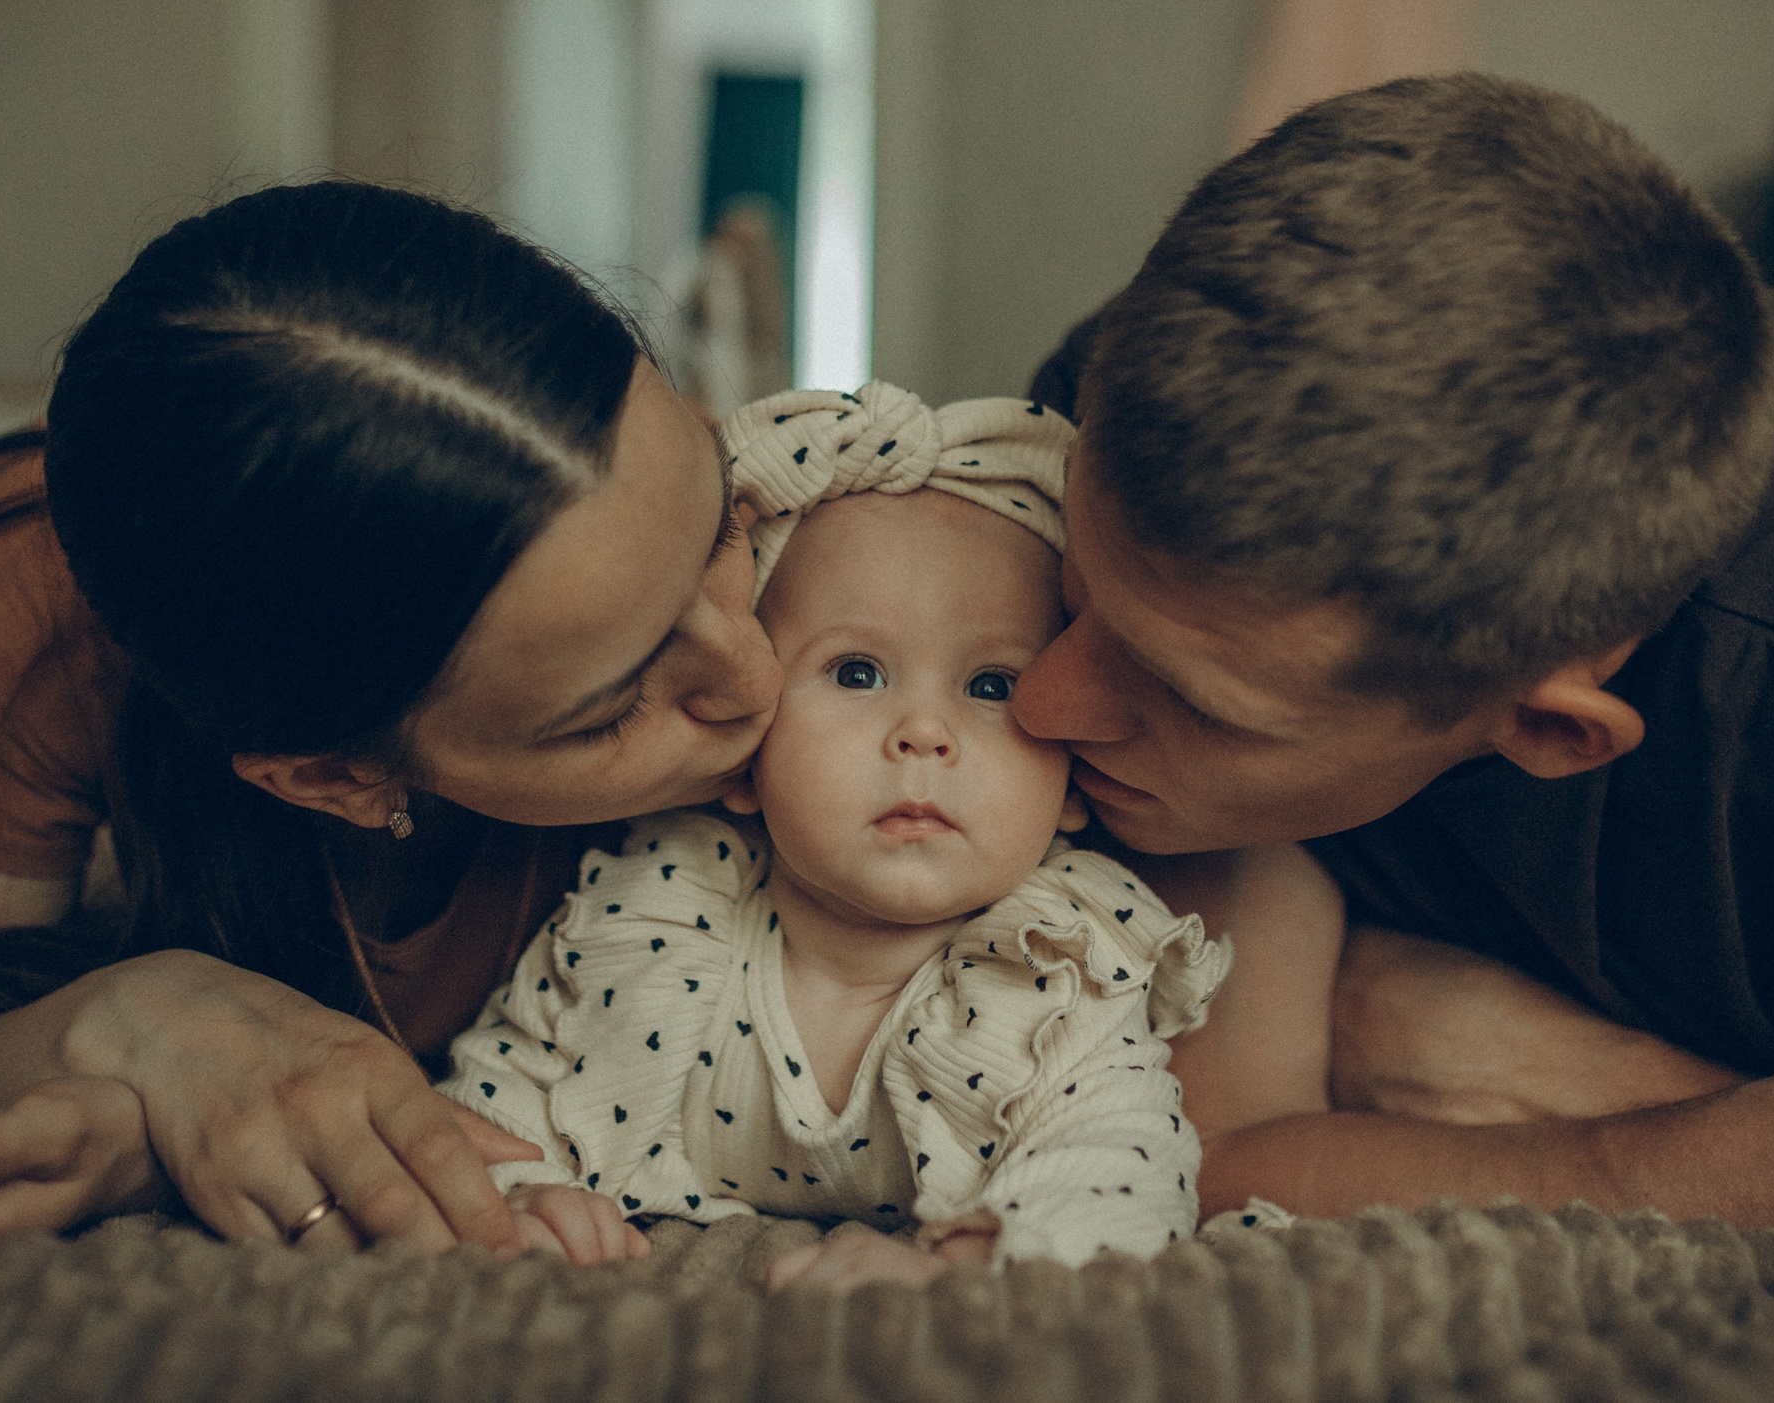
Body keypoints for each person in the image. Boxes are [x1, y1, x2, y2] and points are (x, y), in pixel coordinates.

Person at [1017, 72, 1774, 1273]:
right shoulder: (1133, 403)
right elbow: (1186, 1154)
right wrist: (1770, 1136)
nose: (1038, 702)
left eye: (1197, 702)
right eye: (1073, 578)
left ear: (1551, 729)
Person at [0, 181, 786, 1254]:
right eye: (614, 706)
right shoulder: (53, 595)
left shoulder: (755, 489)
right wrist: (134, 1020)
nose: (757, 675)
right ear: (335, 777)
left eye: (723, 527)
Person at [440, 385, 1224, 1291]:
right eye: (857, 672)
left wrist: (982, 1262)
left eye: (992, 686)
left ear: (1072, 777)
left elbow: (1122, 1162)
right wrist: (527, 1194)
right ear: (747, 753)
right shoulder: (657, 912)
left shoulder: (1051, 968)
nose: (924, 732)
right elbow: (499, 1094)